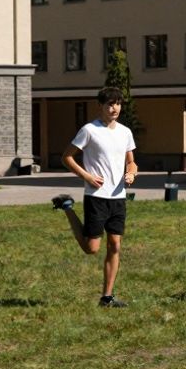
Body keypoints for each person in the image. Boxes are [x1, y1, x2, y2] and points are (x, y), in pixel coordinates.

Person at [50, 86, 137, 308]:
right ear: (100, 106)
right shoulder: (89, 130)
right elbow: (66, 157)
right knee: (92, 249)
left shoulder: (125, 132)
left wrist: (131, 172)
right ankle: (67, 207)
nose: (114, 107)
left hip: (118, 197)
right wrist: (87, 176)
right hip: (96, 196)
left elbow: (131, 161)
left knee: (115, 245)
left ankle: (107, 297)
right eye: (110, 104)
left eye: (118, 103)